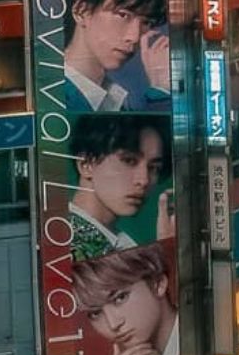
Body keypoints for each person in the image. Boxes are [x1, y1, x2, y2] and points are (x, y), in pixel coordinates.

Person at [62, 0, 171, 113]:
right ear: (81, 11)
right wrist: (160, 90)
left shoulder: (115, 99)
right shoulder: (60, 98)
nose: (134, 37)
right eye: (123, 15)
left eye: (146, 22)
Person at [68, 110, 173, 259]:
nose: (143, 180)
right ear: (86, 164)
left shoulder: (118, 241)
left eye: (154, 168)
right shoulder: (69, 243)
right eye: (129, 161)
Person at [73, 244, 181, 355]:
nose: (113, 324)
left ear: (158, 283)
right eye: (95, 313)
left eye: (120, 298)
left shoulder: (198, 340)